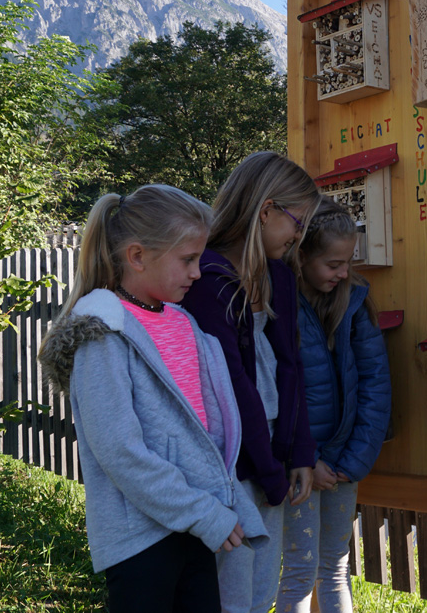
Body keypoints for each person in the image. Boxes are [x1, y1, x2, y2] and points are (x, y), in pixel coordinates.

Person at [37, 185, 268, 613]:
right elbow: (121, 452)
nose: (198, 272)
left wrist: (221, 503)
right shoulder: (102, 333)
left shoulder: (184, 324)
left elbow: (207, 435)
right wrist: (202, 512)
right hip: (142, 540)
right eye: (187, 260)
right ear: (138, 256)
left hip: (196, 527)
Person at [182, 151, 320, 613]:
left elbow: (290, 365)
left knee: (262, 591)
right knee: (234, 596)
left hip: (271, 457)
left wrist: (299, 453)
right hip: (233, 467)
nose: (299, 237)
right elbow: (234, 390)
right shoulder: (207, 281)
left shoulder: (278, 275)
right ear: (266, 210)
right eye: (297, 224)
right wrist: (270, 472)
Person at [276, 200, 392, 613]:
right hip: (302, 469)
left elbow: (376, 387)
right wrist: (306, 457)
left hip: (344, 463)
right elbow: (278, 390)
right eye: (333, 264)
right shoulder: (278, 304)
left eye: (347, 263)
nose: (343, 273)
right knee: (300, 573)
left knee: (336, 567)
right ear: (302, 255)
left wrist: (350, 462)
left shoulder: (355, 303)